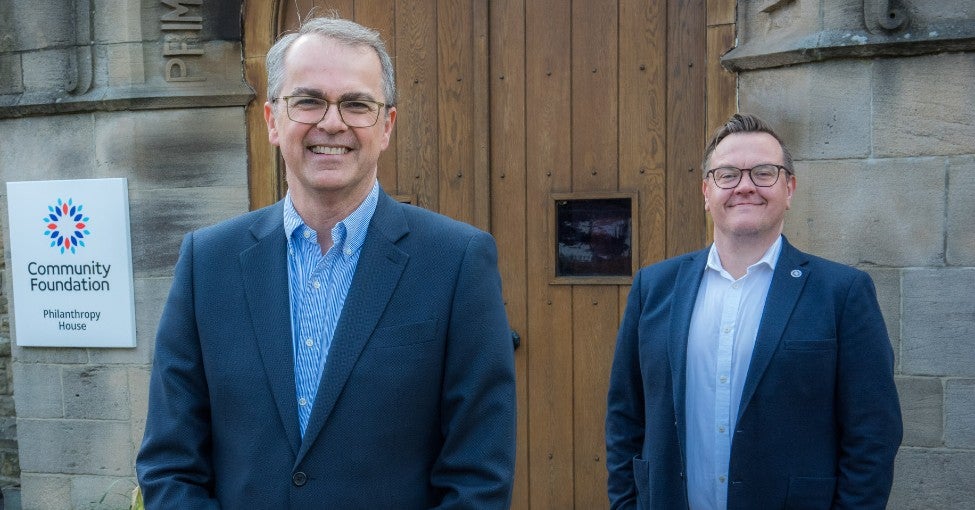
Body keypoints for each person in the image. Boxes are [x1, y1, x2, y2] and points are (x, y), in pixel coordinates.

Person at [136, 15, 517, 509]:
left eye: (357, 104)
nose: (331, 122)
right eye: (309, 100)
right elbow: (170, 463)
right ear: (273, 119)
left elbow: (478, 479)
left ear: (386, 126)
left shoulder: (457, 262)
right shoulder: (207, 263)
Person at [605, 113, 902, 509]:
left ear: (789, 188)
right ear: (706, 192)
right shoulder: (654, 288)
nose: (745, 186)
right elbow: (625, 418)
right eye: (727, 175)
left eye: (764, 172)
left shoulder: (841, 294)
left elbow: (873, 435)